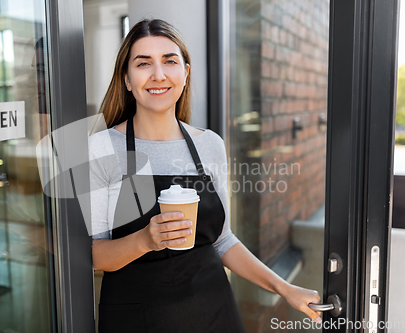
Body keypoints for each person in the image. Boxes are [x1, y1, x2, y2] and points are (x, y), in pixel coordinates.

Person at [89, 18, 321, 332]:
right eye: (143, 63)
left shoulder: (209, 144)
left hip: (213, 313)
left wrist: (285, 288)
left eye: (169, 61)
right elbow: (94, 256)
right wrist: (145, 240)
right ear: (127, 80)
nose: (158, 75)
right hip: (137, 317)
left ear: (185, 73)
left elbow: (223, 240)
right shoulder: (101, 148)